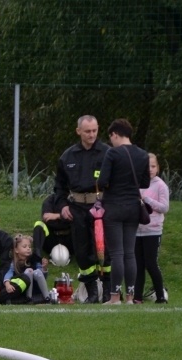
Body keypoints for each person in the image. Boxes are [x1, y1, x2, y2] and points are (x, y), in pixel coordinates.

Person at [54, 115, 112, 303]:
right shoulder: (67, 156)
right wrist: (63, 206)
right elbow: (59, 187)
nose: (91, 135)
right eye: (87, 131)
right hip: (77, 208)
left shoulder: (108, 153)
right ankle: (92, 293)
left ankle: (109, 292)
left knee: (105, 249)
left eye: (94, 130)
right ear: (78, 131)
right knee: (82, 251)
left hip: (102, 208)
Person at [96, 119, 150, 304]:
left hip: (114, 206)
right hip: (133, 207)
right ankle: (130, 296)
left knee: (117, 253)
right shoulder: (143, 155)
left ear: (115, 134)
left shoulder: (113, 153)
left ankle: (114, 296)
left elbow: (102, 181)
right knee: (129, 253)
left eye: (111, 137)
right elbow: (145, 183)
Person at [134, 153, 170, 304]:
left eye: (153, 166)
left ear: (158, 168)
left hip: (153, 231)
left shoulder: (160, 185)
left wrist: (148, 200)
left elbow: (164, 207)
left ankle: (160, 296)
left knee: (151, 263)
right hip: (137, 231)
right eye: (147, 166)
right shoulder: (136, 184)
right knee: (138, 265)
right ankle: (137, 297)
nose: (150, 169)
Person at [3, 234, 49, 303]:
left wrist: (44, 268)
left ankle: (47, 297)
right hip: (22, 290)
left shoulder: (34, 259)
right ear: (16, 250)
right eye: (24, 247)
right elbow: (8, 274)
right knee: (28, 271)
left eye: (29, 246)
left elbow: (42, 277)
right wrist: (7, 284)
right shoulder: (13, 263)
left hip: (36, 289)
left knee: (37, 272)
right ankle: (28, 298)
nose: (28, 248)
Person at [32, 193, 73, 262]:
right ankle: (37, 256)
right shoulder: (49, 200)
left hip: (70, 238)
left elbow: (77, 216)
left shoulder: (75, 199)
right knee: (39, 224)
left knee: (83, 225)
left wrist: (58, 216)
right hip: (52, 237)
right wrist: (67, 218)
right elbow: (47, 219)